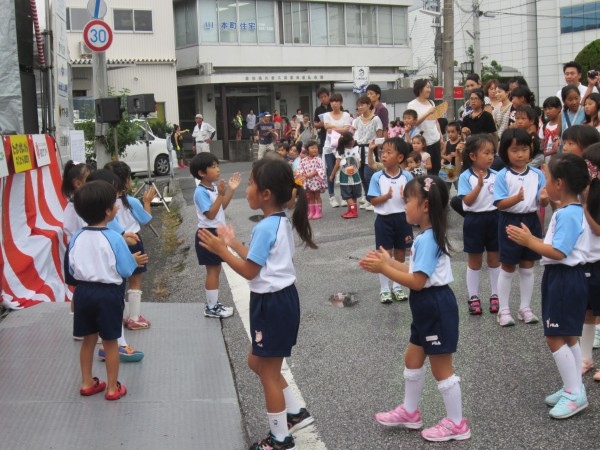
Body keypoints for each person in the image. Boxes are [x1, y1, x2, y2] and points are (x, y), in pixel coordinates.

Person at [198, 158, 317, 450]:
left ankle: (280, 438)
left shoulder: (266, 226)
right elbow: (255, 257)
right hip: (275, 302)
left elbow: (250, 270)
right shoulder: (275, 222)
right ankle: (294, 412)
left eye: (251, 183)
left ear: (265, 194)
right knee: (257, 362)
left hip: (273, 304)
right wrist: (231, 242)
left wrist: (220, 250)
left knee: (269, 373)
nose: (247, 189)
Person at [360, 176, 471, 443]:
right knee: (412, 360)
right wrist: (389, 262)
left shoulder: (428, 239)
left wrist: (384, 268)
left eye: (407, 199)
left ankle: (457, 424)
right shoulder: (427, 236)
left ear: (424, 206)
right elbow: (414, 272)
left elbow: (418, 283)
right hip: (426, 307)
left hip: (434, 305)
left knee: (441, 369)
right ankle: (410, 412)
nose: (404, 204)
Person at [506, 153, 590, 419]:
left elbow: (559, 251)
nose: (545, 182)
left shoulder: (568, 215)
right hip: (566, 278)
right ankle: (574, 387)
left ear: (560, 184)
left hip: (564, 278)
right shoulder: (569, 211)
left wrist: (529, 241)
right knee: (568, 335)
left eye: (549, 178)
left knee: (554, 336)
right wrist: (532, 239)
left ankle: (574, 393)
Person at [65, 180, 147, 401]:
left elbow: (69, 271)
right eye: (114, 204)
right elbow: (126, 269)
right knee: (110, 342)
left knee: (88, 340)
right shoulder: (114, 238)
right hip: (108, 294)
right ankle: (112, 388)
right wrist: (134, 260)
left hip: (83, 293)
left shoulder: (76, 237)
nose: (117, 207)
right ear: (108, 211)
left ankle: (86, 382)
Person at [493, 128, 547, 327]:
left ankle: (525, 307)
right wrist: (515, 198)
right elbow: (499, 204)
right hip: (510, 221)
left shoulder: (537, 174)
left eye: (524, 149)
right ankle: (504, 309)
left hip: (531, 220)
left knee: (527, 265)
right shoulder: (502, 175)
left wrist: (545, 199)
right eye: (515, 150)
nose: (520, 154)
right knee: (507, 265)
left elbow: (543, 202)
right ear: (505, 151)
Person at [104, 161, 155, 331]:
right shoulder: (131, 201)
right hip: (133, 241)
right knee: (135, 281)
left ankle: (117, 317)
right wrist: (147, 201)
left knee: (117, 281)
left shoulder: (105, 203)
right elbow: (146, 219)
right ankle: (134, 317)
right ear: (126, 181)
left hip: (114, 243)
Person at [190, 152, 240, 318]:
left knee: (215, 269)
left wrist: (230, 191)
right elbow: (210, 215)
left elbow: (221, 207)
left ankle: (213, 304)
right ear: (201, 173)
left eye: (217, 165)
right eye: (213, 167)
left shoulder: (211, 188)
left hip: (214, 233)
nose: (218, 170)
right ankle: (211, 307)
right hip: (208, 234)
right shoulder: (200, 192)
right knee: (213, 270)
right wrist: (220, 194)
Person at [367, 137, 413, 304]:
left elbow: (414, 199)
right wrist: (385, 196)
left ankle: (397, 286)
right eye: (382, 152)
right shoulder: (377, 177)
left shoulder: (407, 176)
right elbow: (372, 200)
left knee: (401, 253)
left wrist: (405, 196)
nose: (384, 156)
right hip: (384, 220)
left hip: (403, 219)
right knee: (385, 254)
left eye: (388, 152)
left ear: (400, 158)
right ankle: (384, 289)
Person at [457, 134, 500, 315]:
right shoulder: (465, 177)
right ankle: (473, 296)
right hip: (474, 220)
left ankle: (496, 295)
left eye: (492, 153)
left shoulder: (498, 175)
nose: (491, 157)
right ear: (473, 156)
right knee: (474, 261)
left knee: (494, 259)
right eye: (486, 153)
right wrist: (479, 186)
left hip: (495, 219)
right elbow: (467, 201)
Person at [581, 144, 600, 380]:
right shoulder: (586, 191)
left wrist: (585, 206)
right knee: (587, 311)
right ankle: (585, 358)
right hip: (587, 259)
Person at [352, 95, 383, 211]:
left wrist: (376, 146)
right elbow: (353, 134)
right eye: (358, 105)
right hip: (358, 150)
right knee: (362, 176)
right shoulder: (356, 120)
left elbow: (379, 136)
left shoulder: (376, 119)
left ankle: (375, 199)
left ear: (369, 105)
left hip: (371, 150)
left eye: (362, 105)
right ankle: (368, 198)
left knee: (369, 175)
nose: (360, 107)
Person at [407, 79, 443, 175]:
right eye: (427, 87)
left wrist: (441, 137)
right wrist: (427, 113)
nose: (429, 90)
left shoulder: (431, 103)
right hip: (422, 143)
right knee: (423, 170)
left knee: (436, 168)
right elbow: (413, 123)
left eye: (429, 87)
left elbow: (436, 121)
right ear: (420, 89)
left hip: (435, 140)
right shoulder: (412, 105)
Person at [322, 93, 352, 208]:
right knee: (331, 171)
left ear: (341, 103)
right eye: (332, 101)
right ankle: (331, 196)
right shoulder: (326, 115)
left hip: (342, 146)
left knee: (344, 170)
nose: (334, 103)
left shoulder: (346, 115)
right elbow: (327, 128)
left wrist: (333, 128)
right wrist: (341, 129)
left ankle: (345, 197)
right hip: (329, 147)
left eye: (336, 101)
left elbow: (346, 130)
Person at [330, 132, 362, 219]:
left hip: (345, 178)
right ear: (351, 141)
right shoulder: (356, 150)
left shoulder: (340, 152)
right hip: (356, 177)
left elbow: (337, 165)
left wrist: (332, 175)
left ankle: (353, 211)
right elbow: (359, 164)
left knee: (348, 196)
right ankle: (351, 210)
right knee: (353, 195)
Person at [298, 140, 327, 220]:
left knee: (317, 195)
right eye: (312, 148)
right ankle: (312, 211)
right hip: (308, 181)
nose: (314, 149)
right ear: (307, 150)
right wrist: (303, 174)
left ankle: (319, 212)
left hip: (316, 180)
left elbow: (321, 169)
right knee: (310, 196)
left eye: (316, 148)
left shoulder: (318, 159)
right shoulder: (303, 160)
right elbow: (300, 169)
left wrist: (312, 174)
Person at [441, 122, 464, 191]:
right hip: (447, 168)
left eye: (453, 132)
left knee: (459, 187)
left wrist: (458, 154)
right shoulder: (447, 143)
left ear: (458, 132)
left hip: (457, 168)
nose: (450, 134)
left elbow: (464, 155)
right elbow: (441, 154)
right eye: (448, 132)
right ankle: (446, 200)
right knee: (445, 188)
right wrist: (446, 157)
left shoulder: (461, 143)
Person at [540, 96, 562, 163]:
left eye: (550, 108)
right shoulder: (544, 126)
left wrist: (546, 154)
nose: (547, 112)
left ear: (559, 108)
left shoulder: (562, 126)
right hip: (546, 162)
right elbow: (542, 144)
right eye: (545, 109)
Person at [313, 87, 333, 152]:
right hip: (323, 134)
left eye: (325, 96)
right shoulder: (318, 109)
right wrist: (319, 124)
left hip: (335, 133)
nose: (323, 99)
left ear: (328, 96)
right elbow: (315, 123)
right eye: (321, 97)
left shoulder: (334, 106)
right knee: (324, 152)